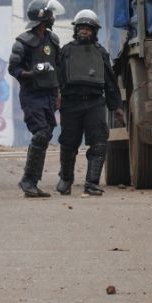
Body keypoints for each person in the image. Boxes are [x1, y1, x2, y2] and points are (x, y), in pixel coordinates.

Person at [56, 10, 123, 196]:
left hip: (94, 104)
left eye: (88, 28)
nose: (84, 31)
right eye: (81, 28)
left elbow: (110, 82)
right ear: (76, 29)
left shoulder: (101, 53)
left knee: (99, 142)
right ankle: (66, 179)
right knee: (68, 144)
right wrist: (56, 96)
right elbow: (57, 77)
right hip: (70, 104)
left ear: (94, 31)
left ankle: (92, 183)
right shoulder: (66, 51)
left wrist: (116, 106)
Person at [8, 0, 64, 198]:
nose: (52, 18)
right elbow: (13, 69)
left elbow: (57, 68)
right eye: (49, 14)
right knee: (40, 133)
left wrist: (58, 93)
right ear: (42, 18)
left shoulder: (53, 40)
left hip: (49, 94)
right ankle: (28, 180)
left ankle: (32, 182)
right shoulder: (22, 42)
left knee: (47, 133)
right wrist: (32, 73)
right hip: (32, 95)